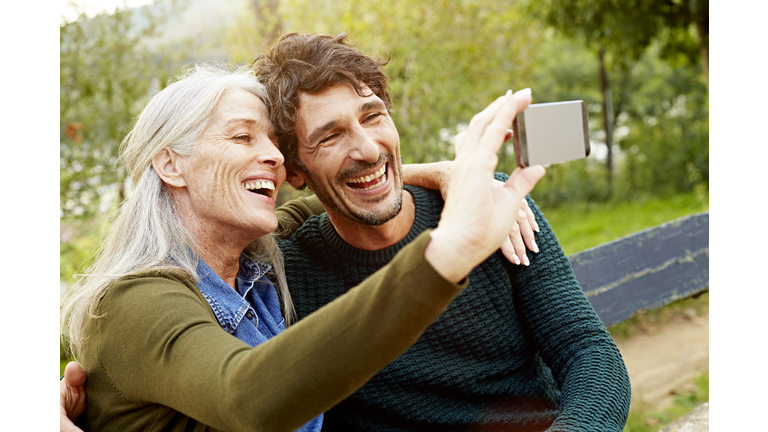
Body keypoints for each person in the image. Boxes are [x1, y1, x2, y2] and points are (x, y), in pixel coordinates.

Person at [59, 63, 545, 431]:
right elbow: (246, 395)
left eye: (273, 142)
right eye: (242, 136)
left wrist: (442, 172)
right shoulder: (135, 302)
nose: (271, 155)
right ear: (171, 165)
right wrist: (450, 252)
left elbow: (338, 190)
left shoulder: (258, 254)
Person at [248, 33, 632, 431]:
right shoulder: (285, 277)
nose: (369, 149)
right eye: (330, 136)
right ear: (294, 172)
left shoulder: (494, 203)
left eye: (373, 116)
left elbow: (587, 351)